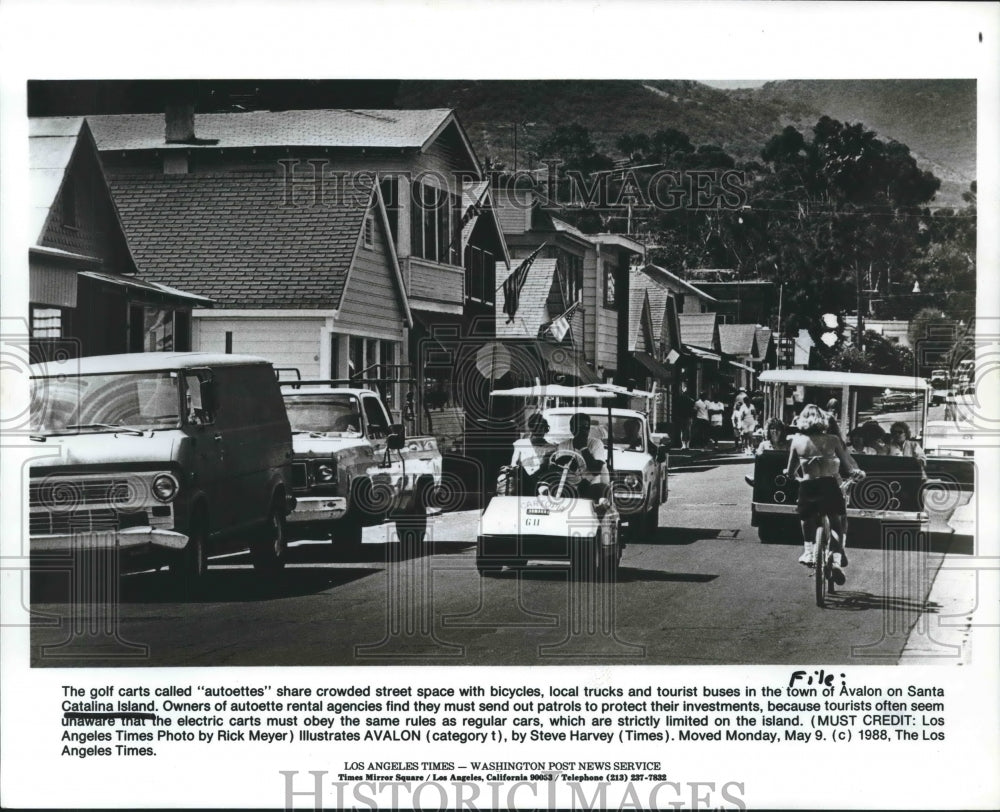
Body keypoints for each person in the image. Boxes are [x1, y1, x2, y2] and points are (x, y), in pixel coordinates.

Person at [785, 404, 866, 582]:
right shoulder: (833, 440)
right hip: (829, 484)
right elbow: (847, 465)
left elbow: (791, 470)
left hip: (808, 484)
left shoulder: (797, 441)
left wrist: (790, 475)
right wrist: (855, 473)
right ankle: (836, 560)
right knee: (836, 523)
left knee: (806, 518)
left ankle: (808, 553)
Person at [546, 412, 609, 502]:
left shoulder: (596, 444)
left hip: (590, 485)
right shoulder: (563, 445)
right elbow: (559, 470)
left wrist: (584, 448)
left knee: (600, 489)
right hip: (569, 485)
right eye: (579, 427)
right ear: (572, 429)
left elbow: (596, 470)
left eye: (586, 427)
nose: (584, 430)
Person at [675, 383, 695, 449]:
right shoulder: (691, 401)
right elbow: (693, 410)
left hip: (682, 417)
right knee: (688, 431)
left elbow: (677, 409)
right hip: (688, 417)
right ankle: (687, 444)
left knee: (683, 431)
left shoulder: (679, 399)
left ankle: (683, 444)